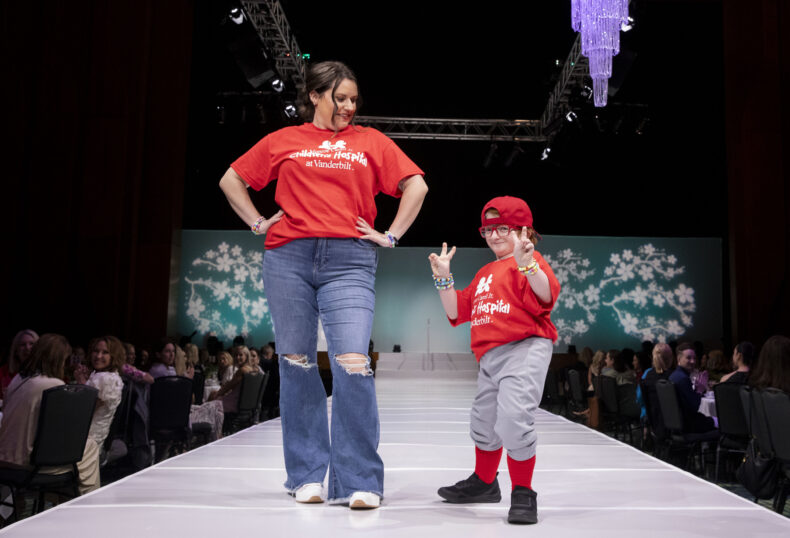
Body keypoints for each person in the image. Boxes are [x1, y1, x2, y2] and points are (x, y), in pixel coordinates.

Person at [219, 60, 427, 509]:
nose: (350, 106)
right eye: (341, 98)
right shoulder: (285, 140)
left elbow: (416, 185)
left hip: (350, 260)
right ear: (314, 96)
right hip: (288, 257)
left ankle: (359, 480)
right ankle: (306, 474)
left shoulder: (369, 141)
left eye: (354, 98)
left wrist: (390, 235)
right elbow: (231, 179)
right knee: (295, 363)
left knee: (353, 361)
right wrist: (257, 221)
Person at [428, 196, 560, 525]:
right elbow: (457, 312)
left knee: (514, 420)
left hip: (525, 347)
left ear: (523, 230)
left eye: (503, 228)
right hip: (489, 355)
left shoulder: (530, 261)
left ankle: (523, 492)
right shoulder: (487, 271)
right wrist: (444, 278)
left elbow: (546, 296)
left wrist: (528, 263)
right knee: (483, 424)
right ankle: (485, 482)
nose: (494, 235)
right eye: (488, 229)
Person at [0, 334, 100, 495]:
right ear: (59, 360)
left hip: (5, 458)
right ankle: (85, 500)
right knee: (89, 446)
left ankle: (65, 500)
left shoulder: (18, 379)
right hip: (29, 464)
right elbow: (69, 430)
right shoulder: (53, 386)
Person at [668, 342, 716, 433]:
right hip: (688, 425)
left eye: (694, 358)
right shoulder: (683, 379)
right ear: (679, 359)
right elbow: (694, 407)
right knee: (719, 421)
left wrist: (696, 390)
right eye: (688, 358)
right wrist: (699, 391)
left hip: (676, 426)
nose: (693, 361)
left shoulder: (674, 376)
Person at [1, 330, 39, 399]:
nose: (27, 348)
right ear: (16, 350)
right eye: (23, 345)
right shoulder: (3, 372)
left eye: (31, 344)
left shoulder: (45, 371)